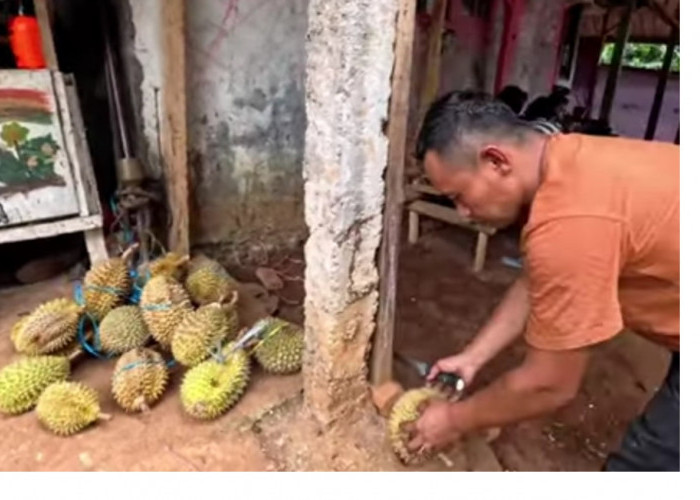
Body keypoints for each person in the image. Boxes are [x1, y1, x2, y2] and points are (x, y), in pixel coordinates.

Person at [408, 90, 679, 471]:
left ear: (496, 161)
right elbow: (539, 276)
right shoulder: (570, 155)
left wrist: (452, 420)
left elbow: (549, 384)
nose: (464, 214)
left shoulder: (568, 222)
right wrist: (474, 357)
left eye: (459, 196)